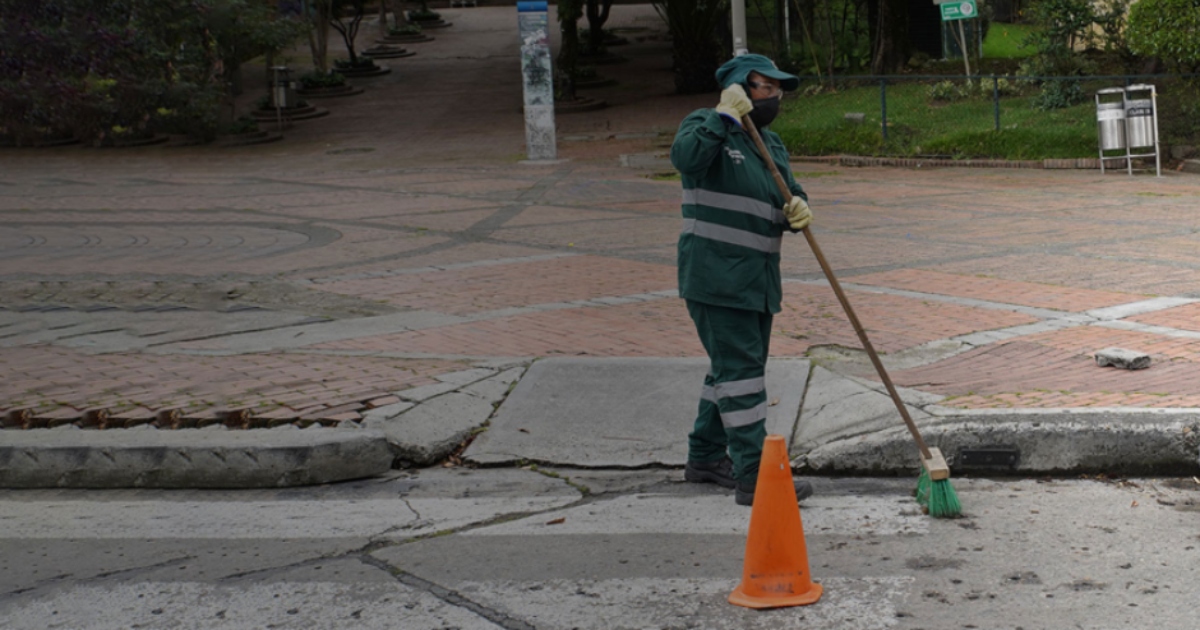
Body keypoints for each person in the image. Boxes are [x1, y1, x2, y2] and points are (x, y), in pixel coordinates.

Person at [670, 54, 814, 507]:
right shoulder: (704, 126)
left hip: (757, 282)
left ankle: (706, 457)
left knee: (731, 373)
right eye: (764, 87)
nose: (774, 96)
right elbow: (686, 159)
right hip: (715, 278)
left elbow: (786, 192)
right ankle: (754, 476)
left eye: (778, 89)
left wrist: (798, 210)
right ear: (739, 87)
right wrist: (722, 117)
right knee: (743, 377)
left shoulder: (771, 144)